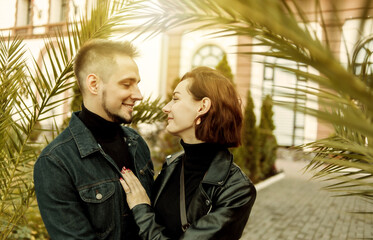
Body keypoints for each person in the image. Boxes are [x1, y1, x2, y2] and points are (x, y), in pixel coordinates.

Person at [34, 39, 154, 239]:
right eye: (126, 84)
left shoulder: (137, 143)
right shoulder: (56, 162)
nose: (138, 95)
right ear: (94, 84)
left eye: (137, 84)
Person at [119, 66, 257, 240]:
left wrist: (141, 210)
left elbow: (147, 218)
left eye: (175, 99)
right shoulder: (173, 164)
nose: (166, 108)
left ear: (202, 106)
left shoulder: (237, 190)